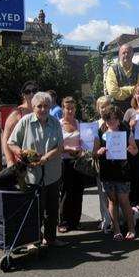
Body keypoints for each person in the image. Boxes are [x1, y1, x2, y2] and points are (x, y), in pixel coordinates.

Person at [8, 92, 67, 247]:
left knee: (52, 209)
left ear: (50, 107)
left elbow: (60, 147)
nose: (42, 109)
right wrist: (18, 152)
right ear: (33, 107)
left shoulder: (55, 122)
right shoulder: (25, 122)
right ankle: (34, 240)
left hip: (52, 173)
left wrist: (45, 158)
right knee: (35, 210)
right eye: (39, 106)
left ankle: (51, 239)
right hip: (31, 175)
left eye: (46, 106)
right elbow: (11, 142)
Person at [94, 105, 138, 241]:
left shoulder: (126, 131)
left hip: (122, 171)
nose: (111, 122)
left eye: (114, 119)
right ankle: (117, 230)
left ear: (119, 119)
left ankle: (131, 229)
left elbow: (135, 150)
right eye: (108, 119)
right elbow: (94, 153)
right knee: (112, 201)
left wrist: (129, 148)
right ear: (105, 120)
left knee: (124, 201)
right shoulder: (100, 132)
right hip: (107, 171)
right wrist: (99, 152)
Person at [58, 97, 84, 233]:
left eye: (72, 108)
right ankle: (63, 221)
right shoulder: (58, 124)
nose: (70, 110)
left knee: (78, 191)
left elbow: (84, 141)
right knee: (66, 192)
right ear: (62, 109)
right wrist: (69, 150)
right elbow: (56, 146)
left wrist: (82, 150)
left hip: (79, 162)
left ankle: (76, 221)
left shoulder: (79, 123)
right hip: (65, 161)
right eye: (67, 108)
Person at [2, 80, 39, 166]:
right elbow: (5, 138)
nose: (31, 94)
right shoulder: (17, 113)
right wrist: (10, 160)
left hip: (39, 160)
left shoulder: (41, 111)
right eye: (27, 92)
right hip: (21, 162)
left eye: (34, 91)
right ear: (23, 95)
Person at [105, 44, 139, 113]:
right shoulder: (112, 69)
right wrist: (132, 89)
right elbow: (113, 92)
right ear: (119, 55)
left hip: (134, 109)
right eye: (123, 53)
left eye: (128, 52)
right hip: (117, 111)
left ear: (133, 54)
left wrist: (121, 89)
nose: (126, 55)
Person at [95, 96, 112, 233]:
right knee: (102, 194)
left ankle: (115, 219)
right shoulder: (95, 125)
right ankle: (105, 219)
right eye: (102, 107)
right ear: (98, 109)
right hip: (101, 163)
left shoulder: (115, 121)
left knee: (114, 194)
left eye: (107, 106)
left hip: (115, 163)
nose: (104, 109)